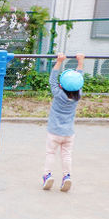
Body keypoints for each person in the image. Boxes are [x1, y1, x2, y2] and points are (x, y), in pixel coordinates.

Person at [42, 53, 85, 192]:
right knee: (66, 155)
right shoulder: (78, 95)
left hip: (54, 132)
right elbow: (79, 79)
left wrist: (59, 62)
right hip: (68, 133)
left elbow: (52, 80)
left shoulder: (58, 93)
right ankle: (67, 177)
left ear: (61, 85)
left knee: (50, 153)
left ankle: (47, 175)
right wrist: (80, 62)